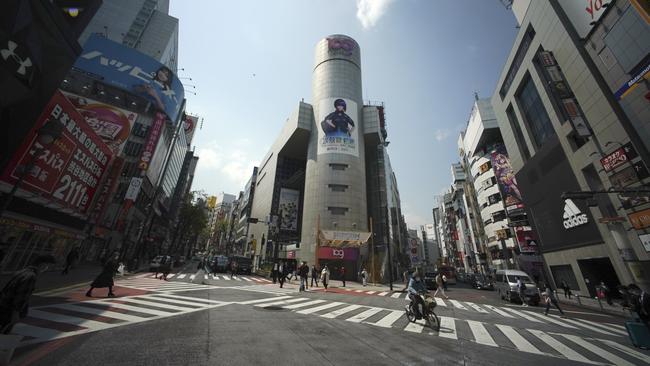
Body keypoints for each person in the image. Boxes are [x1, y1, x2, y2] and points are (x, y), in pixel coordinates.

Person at [0, 255, 56, 334]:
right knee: (4, 331)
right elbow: (21, 297)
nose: (46, 269)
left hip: (4, 305)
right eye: (47, 266)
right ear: (42, 265)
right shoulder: (31, 277)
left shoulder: (22, 271)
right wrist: (15, 314)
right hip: (9, 310)